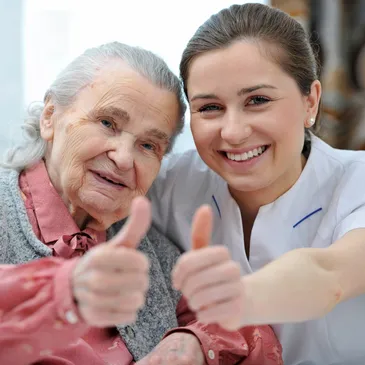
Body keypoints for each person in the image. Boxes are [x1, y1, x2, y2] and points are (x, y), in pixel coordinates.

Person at [0, 41, 282, 365]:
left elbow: (251, 329)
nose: (122, 158)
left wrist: (190, 345)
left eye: (148, 145)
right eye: (107, 123)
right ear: (50, 116)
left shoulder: (151, 253)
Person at [149, 3, 365, 365]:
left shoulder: (357, 181)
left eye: (258, 100)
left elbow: (330, 275)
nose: (233, 132)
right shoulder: (171, 184)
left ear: (310, 100)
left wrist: (233, 303)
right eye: (209, 108)